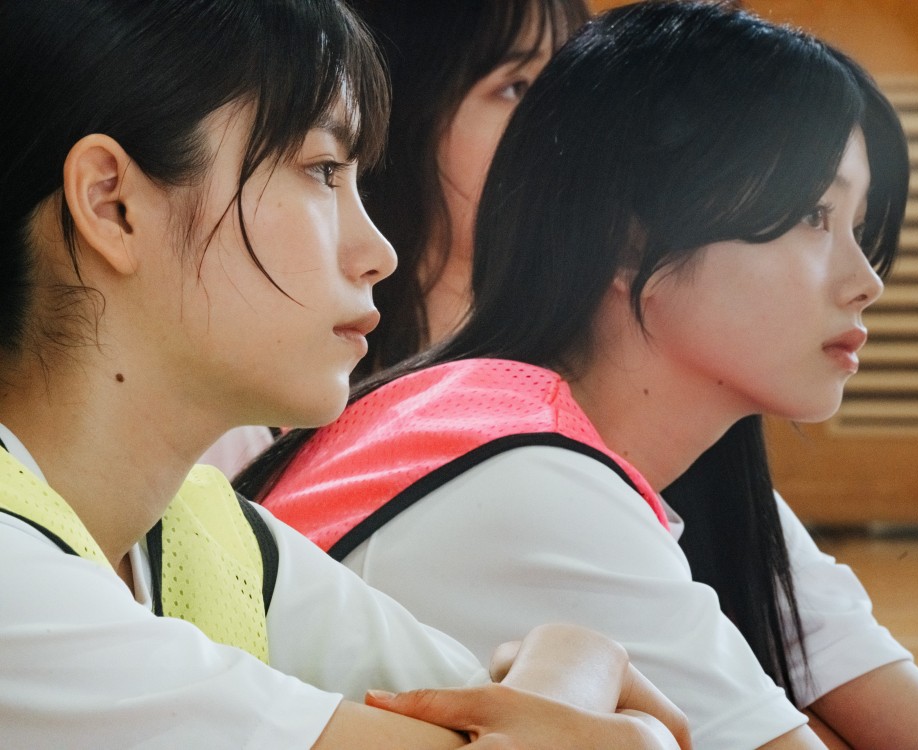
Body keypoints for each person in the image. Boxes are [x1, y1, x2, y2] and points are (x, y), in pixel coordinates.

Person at [243, 3, 918, 749]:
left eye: (859, 228)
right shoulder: (534, 484)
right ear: (630, 240)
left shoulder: (658, 466)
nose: (866, 281)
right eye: (813, 216)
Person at [0, 1, 691, 747]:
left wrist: (578, 656)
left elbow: (517, 729)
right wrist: (581, 667)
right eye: (322, 170)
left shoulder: (212, 535)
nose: (377, 253)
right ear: (112, 204)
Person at [203, 0, 589, 479]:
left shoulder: (592, 393)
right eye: (516, 87)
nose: (563, 128)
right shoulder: (240, 427)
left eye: (570, 86)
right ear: (406, 108)